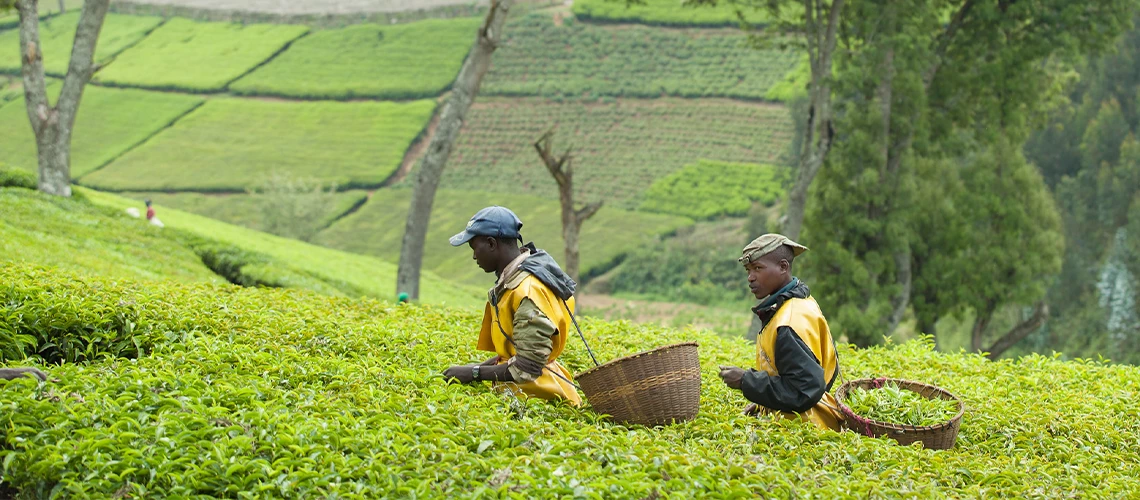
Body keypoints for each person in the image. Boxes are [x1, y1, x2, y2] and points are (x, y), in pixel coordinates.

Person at [441, 206, 582, 406]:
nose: (474, 257)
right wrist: (473, 368)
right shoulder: (519, 280)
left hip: (538, 397)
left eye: (474, 248)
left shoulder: (528, 291)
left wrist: (473, 373)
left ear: (491, 243)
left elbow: (527, 367)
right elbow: (515, 354)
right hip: (530, 390)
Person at [717, 234, 844, 431]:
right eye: (748, 270)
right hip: (810, 422)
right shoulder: (801, 302)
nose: (750, 277)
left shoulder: (788, 322)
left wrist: (745, 381)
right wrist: (765, 402)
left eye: (758, 268)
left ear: (783, 267)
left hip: (805, 431)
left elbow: (804, 390)